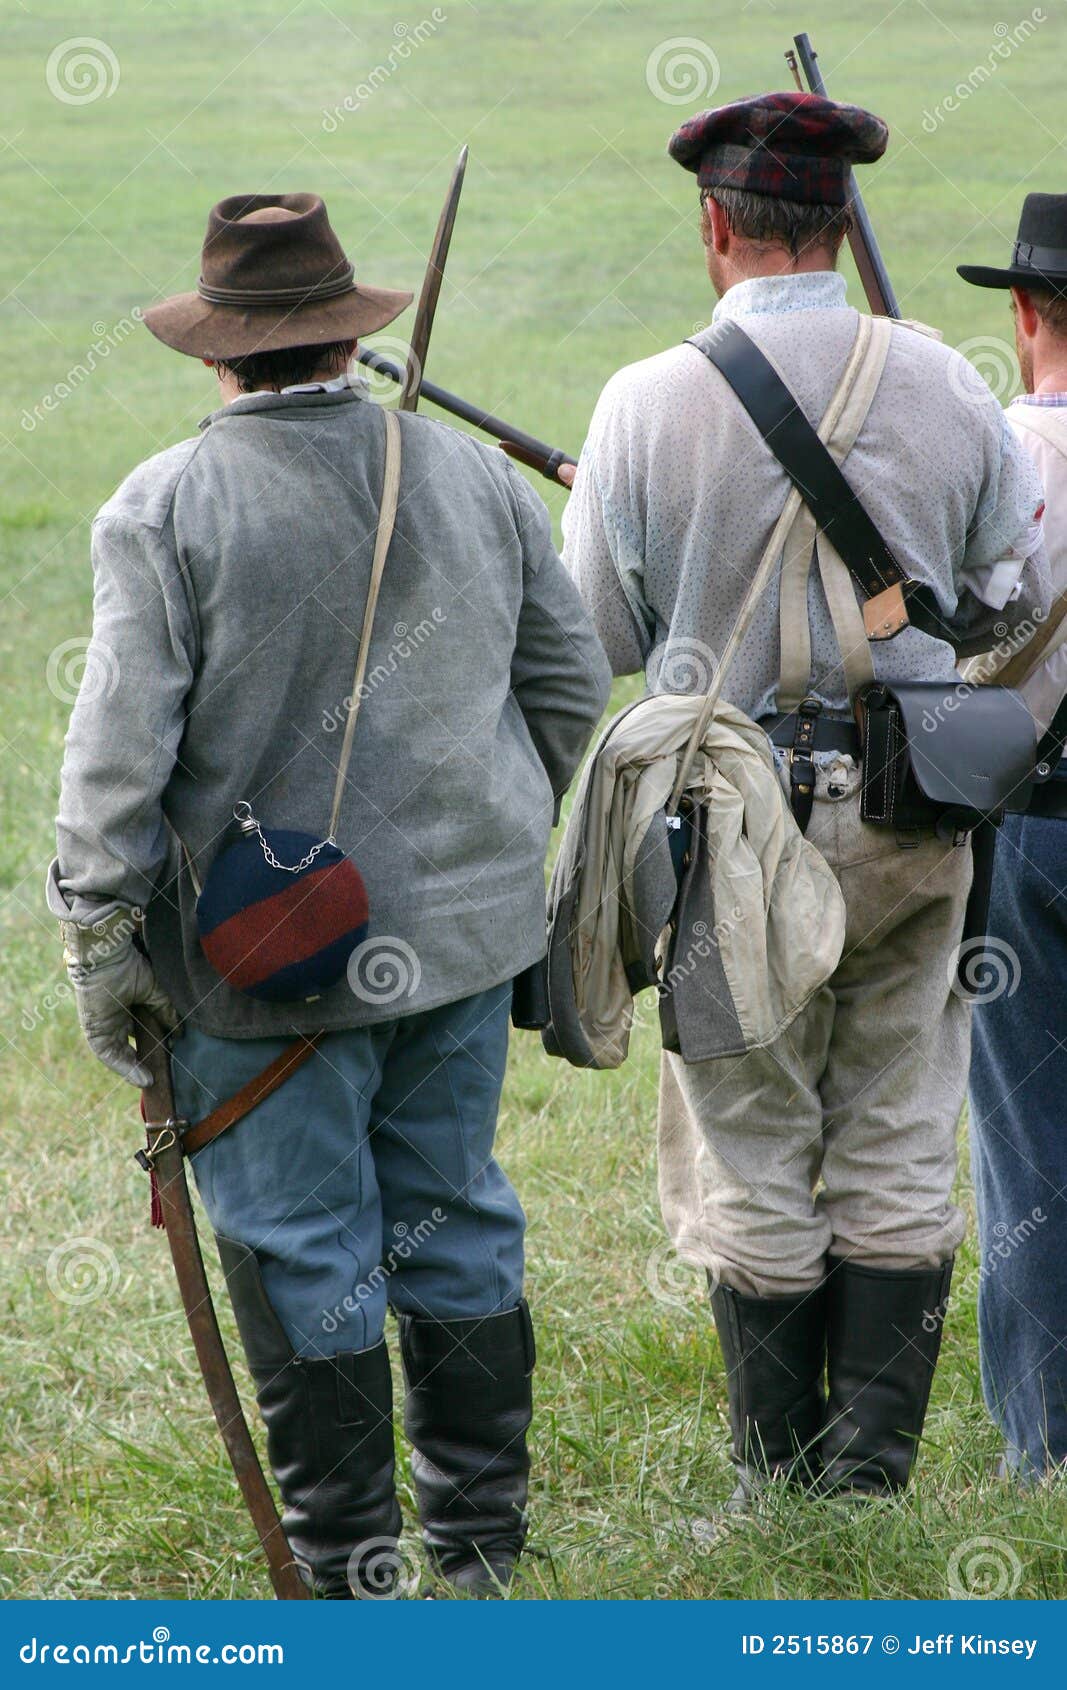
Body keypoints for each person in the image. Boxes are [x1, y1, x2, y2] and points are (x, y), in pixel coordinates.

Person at [48, 192, 610, 1596]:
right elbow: (567, 687)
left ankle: (353, 1579)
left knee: (308, 1245)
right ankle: (477, 1560)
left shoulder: (164, 504)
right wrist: (469, 838)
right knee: (457, 1214)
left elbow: (114, 764)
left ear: (215, 355)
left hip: (261, 958)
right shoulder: (473, 477)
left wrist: (99, 936)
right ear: (342, 337)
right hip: (464, 947)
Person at [561, 92, 1050, 1503]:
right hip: (912, 812)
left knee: (752, 1129)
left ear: (712, 224)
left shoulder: (644, 401)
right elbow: (1007, 595)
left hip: (730, 826)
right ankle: (869, 1484)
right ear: (838, 220)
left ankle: (776, 1488)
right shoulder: (946, 383)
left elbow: (590, 637)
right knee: (897, 1120)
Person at [958, 194, 1067, 1479]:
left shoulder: (982, 454)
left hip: (1025, 830)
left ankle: (1047, 1455)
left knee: (1029, 1160)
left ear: (1022, 311)